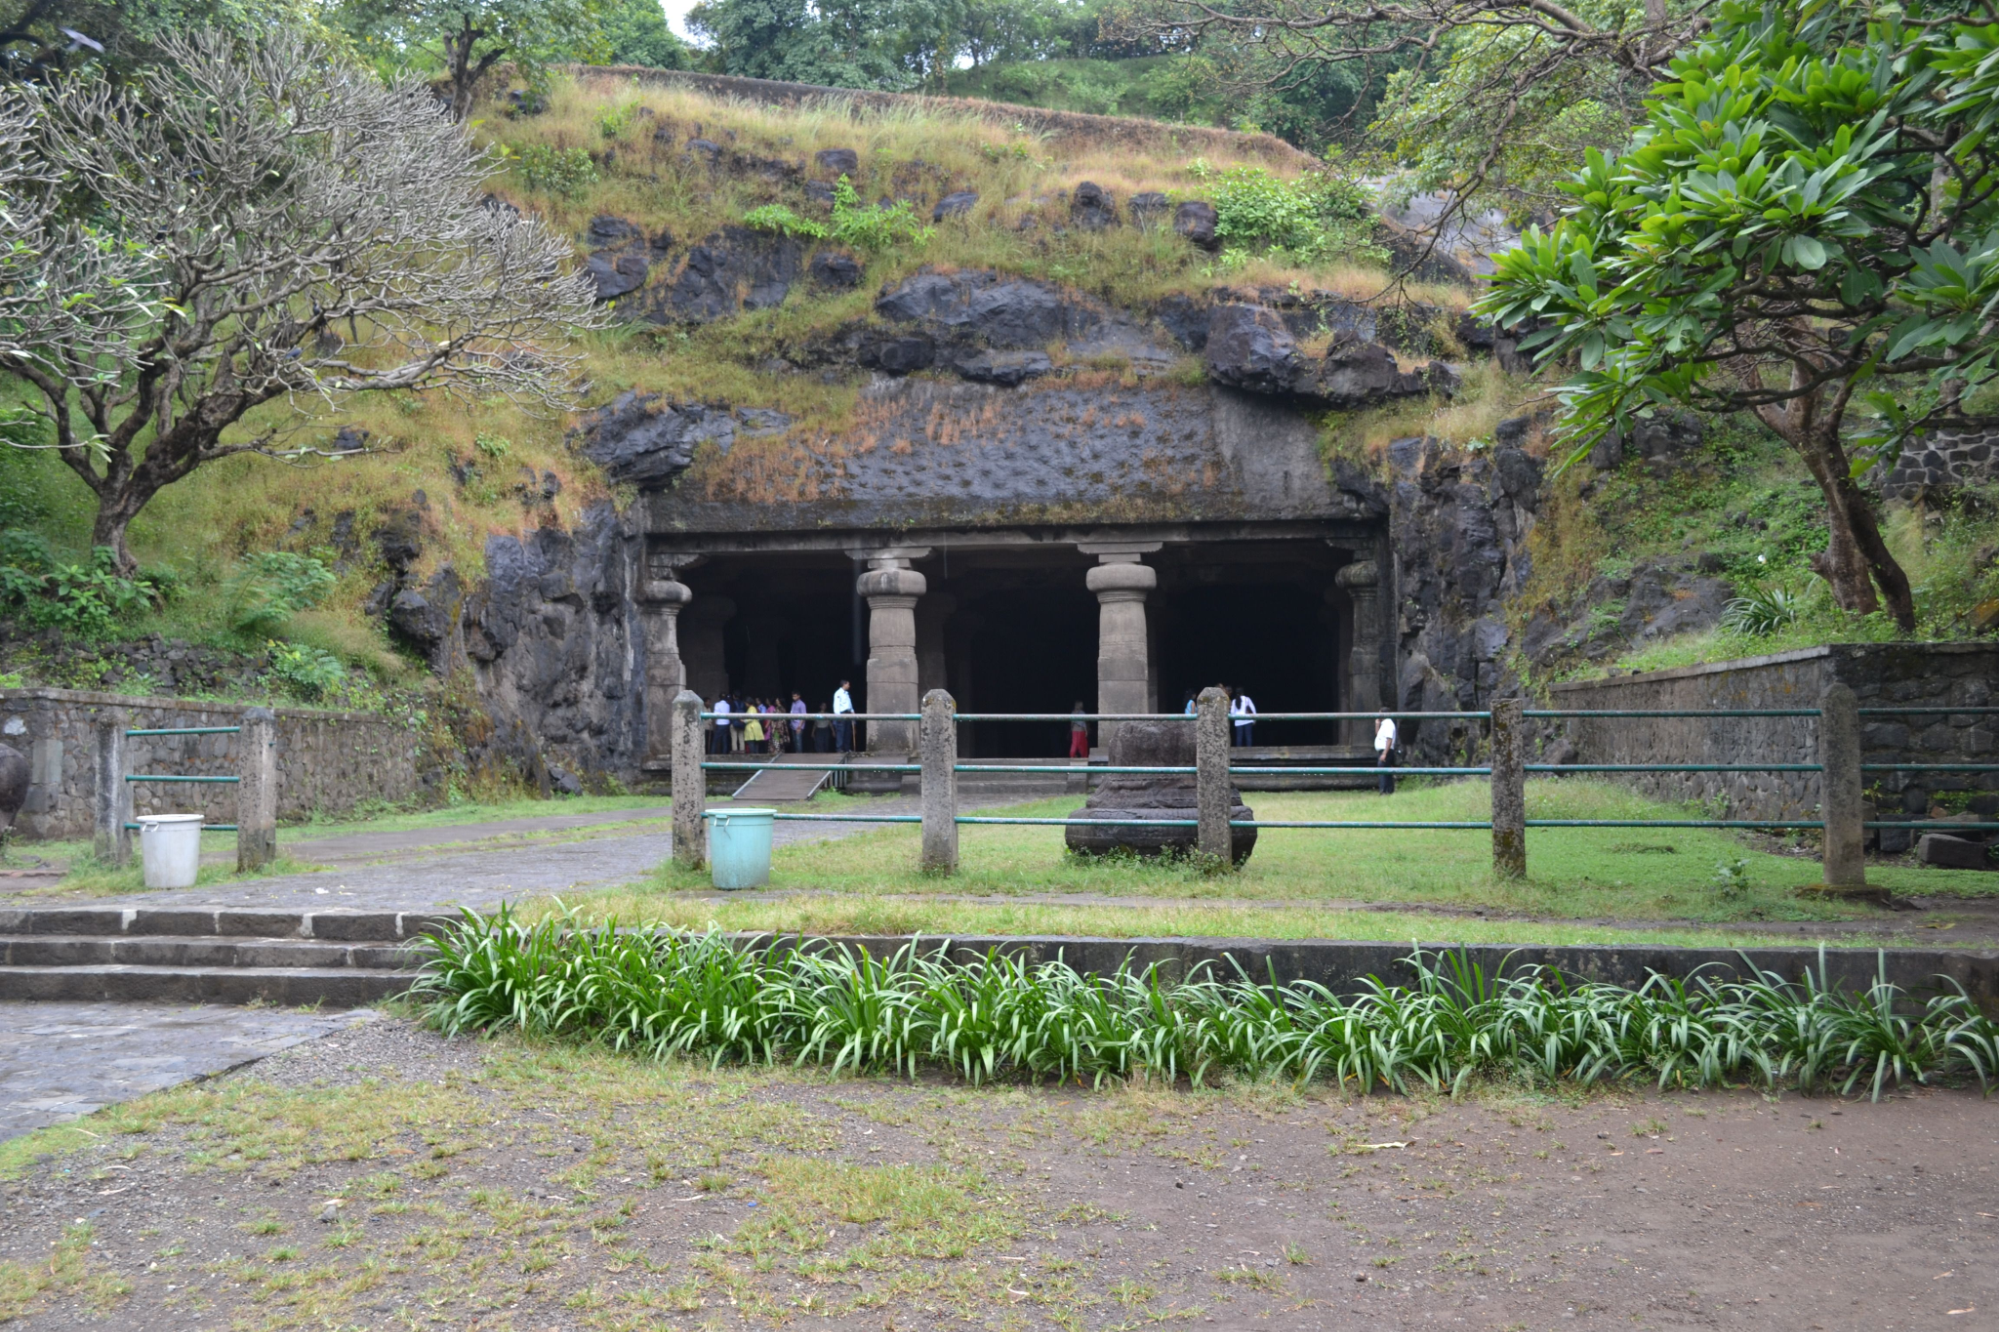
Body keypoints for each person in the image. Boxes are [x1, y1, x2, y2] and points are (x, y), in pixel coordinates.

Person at [1374, 712, 1398, 795]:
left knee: (1383, 770)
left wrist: (1384, 753)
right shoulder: (1384, 724)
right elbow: (1378, 735)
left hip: (1386, 750)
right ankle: (1388, 790)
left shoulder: (1388, 724)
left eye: (1380, 713)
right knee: (1385, 770)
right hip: (1383, 750)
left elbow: (1389, 739)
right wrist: (1377, 725)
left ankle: (1384, 790)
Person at [832, 679, 854, 752]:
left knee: (848, 731)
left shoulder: (847, 693)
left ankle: (846, 748)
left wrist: (852, 711)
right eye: (848, 684)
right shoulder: (838, 693)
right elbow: (836, 705)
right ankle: (839, 748)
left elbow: (849, 704)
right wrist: (838, 716)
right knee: (840, 731)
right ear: (844, 684)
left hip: (848, 714)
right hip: (842, 714)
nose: (849, 686)